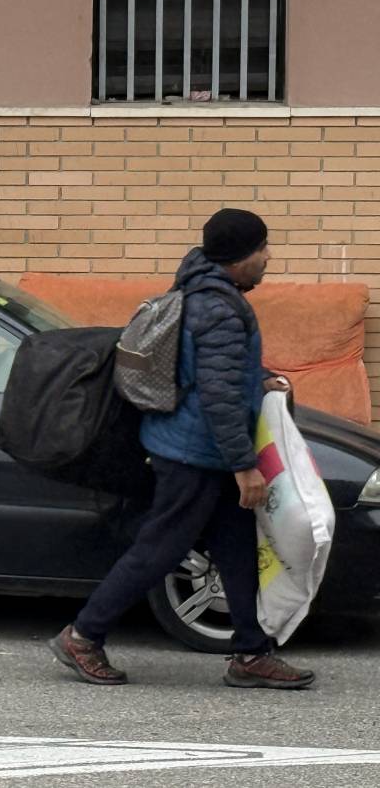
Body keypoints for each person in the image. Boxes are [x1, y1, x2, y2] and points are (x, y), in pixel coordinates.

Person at [48, 208, 315, 690]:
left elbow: (217, 371)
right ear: (240, 257)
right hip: (195, 455)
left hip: (194, 448)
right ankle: (82, 635)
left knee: (235, 549)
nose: (268, 258)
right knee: (159, 549)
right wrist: (244, 467)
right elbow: (217, 396)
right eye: (262, 250)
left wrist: (259, 379)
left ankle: (250, 653)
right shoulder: (219, 309)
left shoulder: (202, 287)